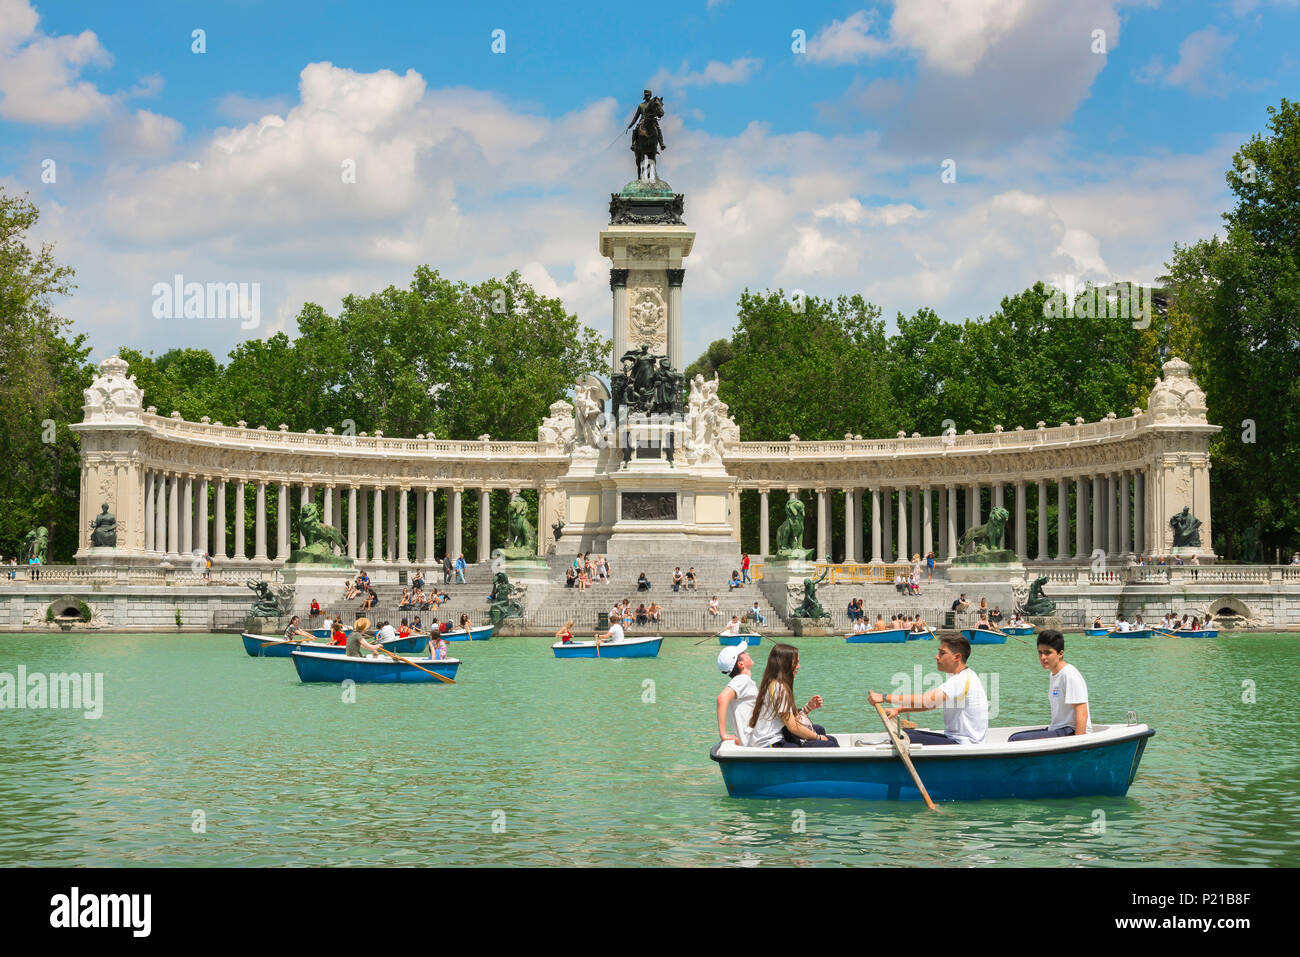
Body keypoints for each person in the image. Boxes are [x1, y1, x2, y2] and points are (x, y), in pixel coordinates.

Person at [868, 635, 988, 745]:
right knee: (906, 734)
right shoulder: (965, 676)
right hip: (958, 740)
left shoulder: (961, 680)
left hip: (964, 744)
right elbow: (932, 704)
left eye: (942, 653)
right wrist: (899, 710)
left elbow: (927, 700)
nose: (936, 656)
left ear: (957, 657)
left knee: (904, 738)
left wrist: (884, 697)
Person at [748, 643, 838, 748]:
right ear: (786, 664)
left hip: (775, 736)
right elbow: (793, 727)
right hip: (772, 742)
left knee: (819, 730)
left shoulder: (772, 683)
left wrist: (807, 708)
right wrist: (819, 738)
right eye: (797, 663)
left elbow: (788, 719)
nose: (799, 666)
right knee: (831, 742)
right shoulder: (779, 688)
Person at [1008, 630, 1091, 740]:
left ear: (1060, 654)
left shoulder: (1069, 674)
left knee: (1015, 740)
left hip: (1071, 731)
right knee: (1014, 737)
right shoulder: (1053, 675)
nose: (1042, 657)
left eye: (1047, 653)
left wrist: (1078, 744)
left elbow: (1082, 712)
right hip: (1058, 729)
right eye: (1040, 652)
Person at [716, 641, 757, 746]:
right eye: (744, 653)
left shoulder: (741, 680)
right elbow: (722, 698)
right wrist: (723, 734)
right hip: (752, 742)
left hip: (750, 741)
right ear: (741, 664)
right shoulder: (742, 679)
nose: (747, 654)